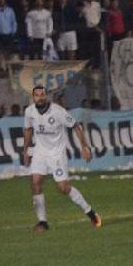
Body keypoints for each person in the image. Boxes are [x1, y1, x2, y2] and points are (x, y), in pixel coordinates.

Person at [21, 85, 102, 232]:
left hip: (56, 155)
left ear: (46, 96)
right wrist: (25, 150)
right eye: (37, 95)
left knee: (64, 188)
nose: (40, 97)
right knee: (35, 183)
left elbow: (76, 126)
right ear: (33, 98)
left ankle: (90, 212)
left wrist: (85, 147)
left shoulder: (58, 111)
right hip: (39, 153)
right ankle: (43, 222)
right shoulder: (29, 112)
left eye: (42, 94)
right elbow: (27, 130)